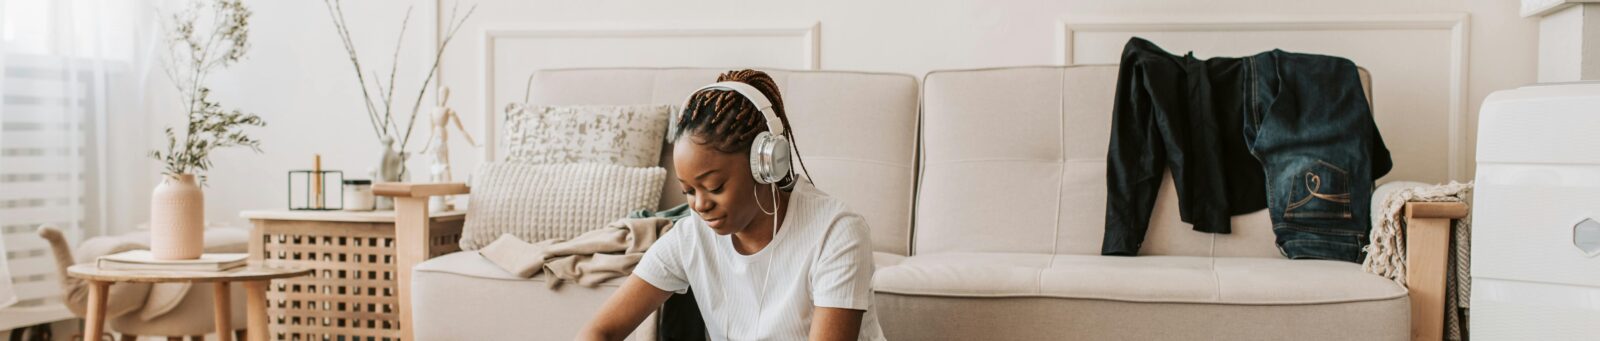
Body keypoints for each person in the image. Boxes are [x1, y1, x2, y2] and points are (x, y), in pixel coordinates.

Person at [581, 70, 886, 341]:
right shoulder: (691, 237)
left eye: (715, 187)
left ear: (765, 164)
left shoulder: (836, 232)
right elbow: (600, 331)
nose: (700, 205)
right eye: (688, 190)